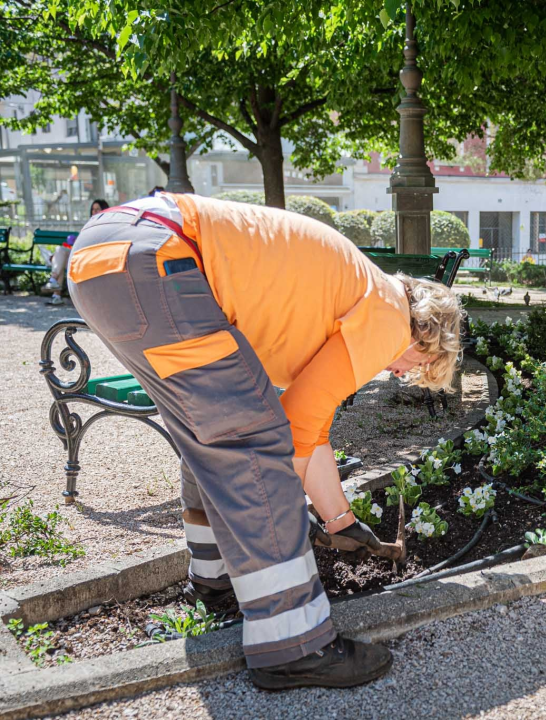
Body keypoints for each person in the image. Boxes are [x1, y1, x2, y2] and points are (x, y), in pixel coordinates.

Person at [67, 193, 462, 690]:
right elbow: (293, 430)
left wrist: (342, 522)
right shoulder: (388, 317)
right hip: (160, 256)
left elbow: (312, 428)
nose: (400, 372)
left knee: (212, 431)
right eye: (417, 366)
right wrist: (291, 510)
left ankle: (216, 585)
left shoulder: (356, 290)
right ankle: (295, 647)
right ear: (424, 335)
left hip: (103, 256)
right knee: (253, 445)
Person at [44, 198, 108, 306]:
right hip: (80, 255)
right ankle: (53, 281)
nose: (95, 211)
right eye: (93, 209)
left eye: (98, 209)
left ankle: (55, 292)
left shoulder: (106, 225)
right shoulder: (89, 224)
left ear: (104, 210)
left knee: (62, 259)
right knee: (60, 251)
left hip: (90, 258)